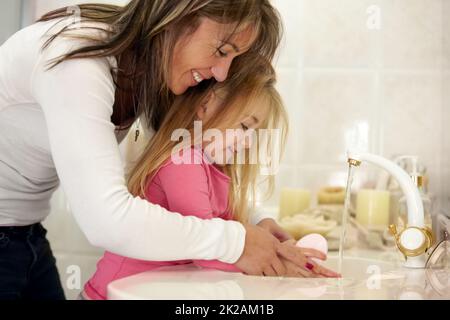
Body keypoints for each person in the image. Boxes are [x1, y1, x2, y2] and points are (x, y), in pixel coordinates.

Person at [0, 1, 332, 300]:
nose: (222, 73)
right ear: (179, 17)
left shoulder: (150, 72)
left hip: (25, 234)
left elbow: (193, 158)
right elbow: (107, 220)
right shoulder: (77, 61)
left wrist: (256, 221)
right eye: (222, 51)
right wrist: (239, 241)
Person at [81, 56, 339, 300]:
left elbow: (224, 232)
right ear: (206, 105)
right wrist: (280, 261)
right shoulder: (182, 162)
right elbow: (207, 250)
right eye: (245, 126)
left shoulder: (209, 166)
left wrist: (262, 227)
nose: (249, 142)